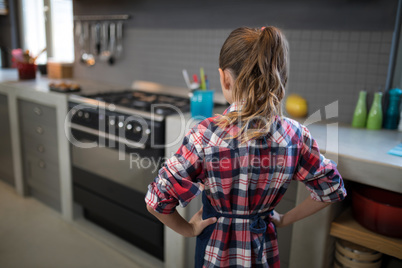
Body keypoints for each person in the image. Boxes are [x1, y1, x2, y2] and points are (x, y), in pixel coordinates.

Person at [145, 26, 346, 268]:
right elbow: (331, 189)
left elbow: (157, 200)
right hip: (263, 250)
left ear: (225, 78)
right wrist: (283, 219)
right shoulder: (296, 135)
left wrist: (188, 229)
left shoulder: (205, 135)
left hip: (214, 254)